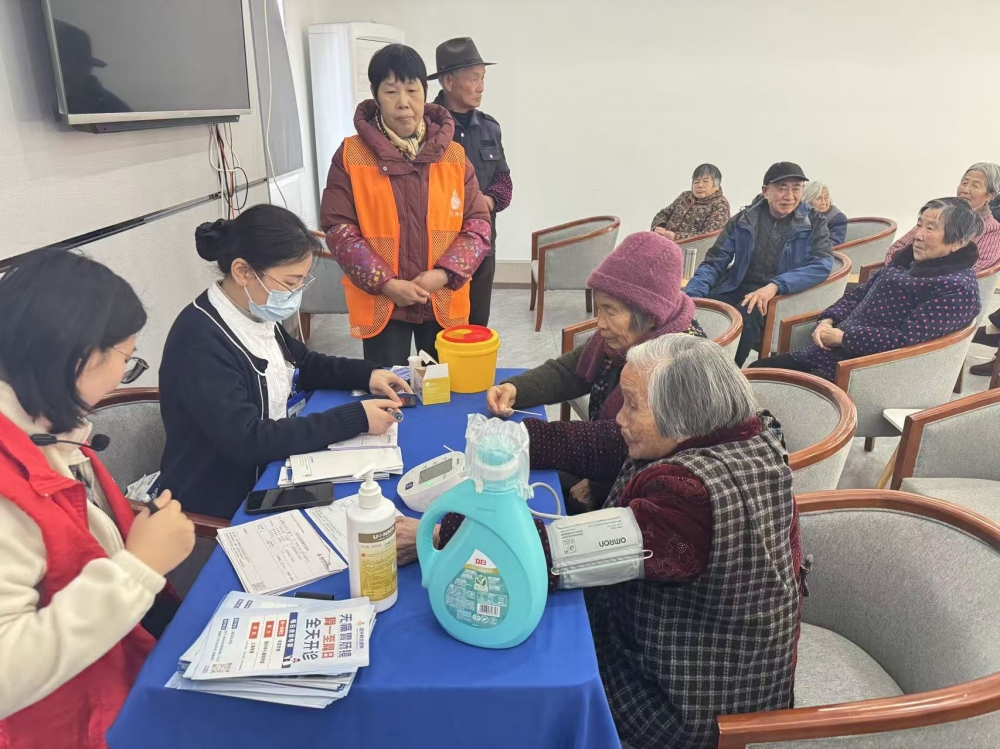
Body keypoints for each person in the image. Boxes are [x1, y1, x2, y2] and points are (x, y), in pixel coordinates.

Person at [435, 335, 802, 748]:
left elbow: (543, 558)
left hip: (687, 700)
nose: (620, 418)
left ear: (679, 416)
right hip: (714, 652)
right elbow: (605, 442)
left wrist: (445, 530)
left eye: (632, 405)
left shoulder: (690, 498)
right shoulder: (730, 430)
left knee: (517, 667)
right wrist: (511, 442)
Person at [0, 250, 195, 745]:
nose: (119, 379)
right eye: (127, 361)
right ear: (81, 358)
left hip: (114, 666)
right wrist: (139, 568)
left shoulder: (48, 429)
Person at [158, 205, 410, 519]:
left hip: (272, 466)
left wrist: (368, 375)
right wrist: (355, 418)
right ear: (243, 272)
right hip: (226, 498)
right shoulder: (199, 341)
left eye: (302, 281)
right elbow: (248, 440)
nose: (296, 293)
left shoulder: (253, 311)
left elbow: (304, 364)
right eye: (291, 283)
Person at [485, 232, 704, 511]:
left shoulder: (680, 365)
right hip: (606, 460)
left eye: (610, 311)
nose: (599, 323)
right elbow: (568, 372)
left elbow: (630, 444)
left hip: (644, 494)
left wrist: (597, 486)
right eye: (599, 308)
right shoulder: (624, 338)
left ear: (650, 315)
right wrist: (516, 388)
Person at [321, 43, 492, 365]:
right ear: (375, 95)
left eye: (412, 91)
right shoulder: (351, 155)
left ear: (425, 93)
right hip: (383, 302)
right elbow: (339, 229)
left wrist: (444, 274)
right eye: (391, 92)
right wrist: (386, 282)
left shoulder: (454, 156)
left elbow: (478, 225)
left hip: (442, 296)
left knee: (443, 386)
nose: (404, 103)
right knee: (388, 388)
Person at [752, 198, 982, 380]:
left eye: (930, 228)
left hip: (860, 372)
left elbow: (906, 341)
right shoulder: (908, 260)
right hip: (826, 354)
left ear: (958, 242)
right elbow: (860, 294)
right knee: (755, 372)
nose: (917, 236)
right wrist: (828, 319)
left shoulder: (957, 290)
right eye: (919, 225)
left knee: (764, 393)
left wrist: (844, 338)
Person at [684, 161, 834, 366]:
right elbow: (714, 261)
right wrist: (692, 296)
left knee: (749, 312)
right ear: (765, 191)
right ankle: (691, 366)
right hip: (737, 286)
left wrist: (775, 286)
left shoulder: (814, 222)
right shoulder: (744, 219)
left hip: (779, 295)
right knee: (694, 311)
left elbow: (822, 264)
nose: (790, 196)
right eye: (782, 188)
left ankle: (726, 371)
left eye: (796, 189)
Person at [431, 37, 512, 327]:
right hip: (438, 248)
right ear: (448, 81)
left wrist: (485, 202)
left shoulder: (490, 128)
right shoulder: (426, 127)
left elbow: (503, 181)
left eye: (483, 78)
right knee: (440, 328)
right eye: (474, 79)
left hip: (483, 245)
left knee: (477, 325)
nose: (481, 87)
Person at [885, 163, 1000, 272]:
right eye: (964, 183)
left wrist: (923, 278)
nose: (965, 190)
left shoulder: (992, 229)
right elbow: (897, 247)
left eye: (975, 186)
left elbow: (977, 270)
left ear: (990, 195)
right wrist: (897, 274)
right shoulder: (937, 216)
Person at [650, 163, 731, 241]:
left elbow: (709, 236)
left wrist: (676, 237)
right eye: (696, 182)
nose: (700, 185)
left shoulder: (720, 204)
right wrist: (660, 228)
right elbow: (663, 214)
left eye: (705, 181)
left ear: (717, 186)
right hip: (664, 242)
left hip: (693, 248)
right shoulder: (685, 196)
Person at [802, 180, 848, 245]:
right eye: (819, 198)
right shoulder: (800, 214)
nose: (824, 202)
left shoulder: (837, 218)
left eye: (826, 198)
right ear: (807, 200)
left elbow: (834, 244)